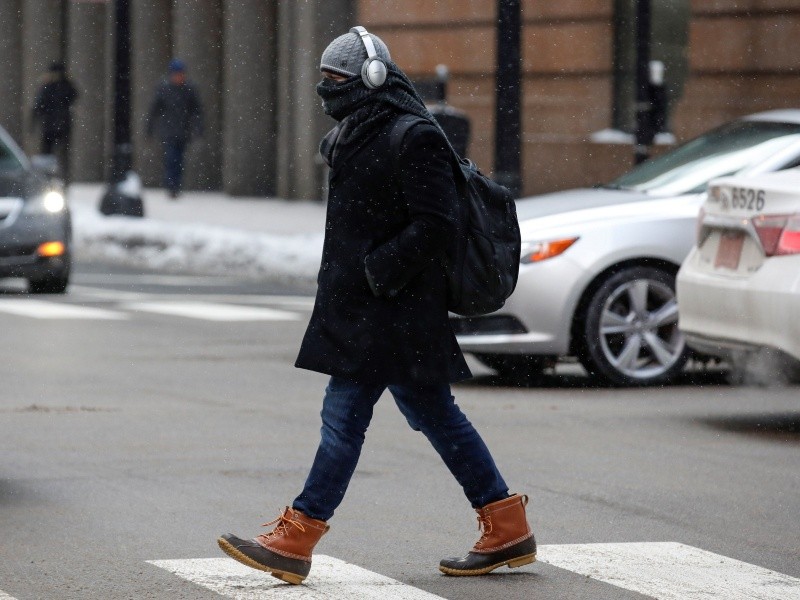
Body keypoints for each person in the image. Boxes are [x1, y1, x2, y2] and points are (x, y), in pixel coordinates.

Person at [218, 26, 536, 585]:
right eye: (323, 77)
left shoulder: (414, 135)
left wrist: (378, 269)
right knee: (435, 415)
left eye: (337, 77)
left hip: (394, 311)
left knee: (343, 419)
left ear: (371, 78)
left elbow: (437, 223)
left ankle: (298, 536)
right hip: (367, 308)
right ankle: (505, 523)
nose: (327, 87)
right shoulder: (353, 133)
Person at [145, 59, 203, 198]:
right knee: (171, 158)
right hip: (168, 131)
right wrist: (149, 127)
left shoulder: (189, 90)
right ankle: (171, 185)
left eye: (181, 74)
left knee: (179, 159)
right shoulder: (164, 89)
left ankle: (175, 184)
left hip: (183, 131)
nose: (179, 77)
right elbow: (154, 110)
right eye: (177, 74)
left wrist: (198, 128)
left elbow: (196, 110)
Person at [32, 62, 78, 183]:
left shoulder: (51, 87)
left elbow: (39, 106)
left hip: (52, 126)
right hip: (60, 125)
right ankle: (60, 178)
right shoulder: (64, 86)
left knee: (49, 154)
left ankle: (50, 178)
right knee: (59, 154)